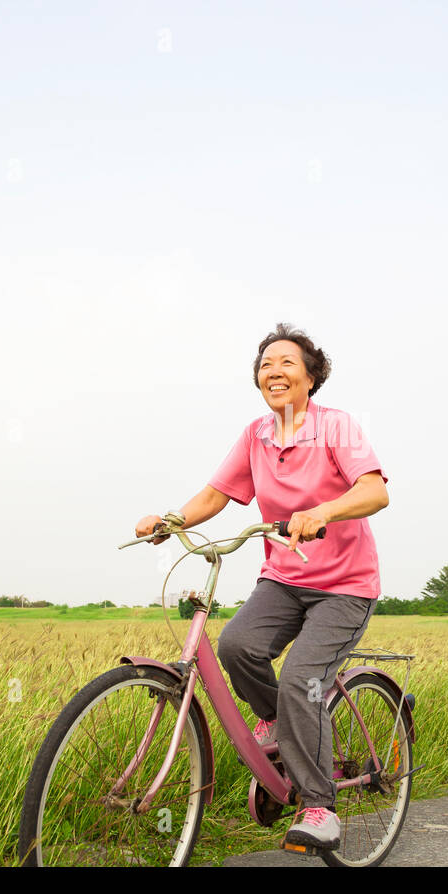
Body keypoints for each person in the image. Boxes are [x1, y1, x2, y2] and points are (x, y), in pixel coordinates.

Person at [134, 323, 388, 850]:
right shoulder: (256, 435)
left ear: (312, 377)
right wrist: (173, 521)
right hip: (284, 577)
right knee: (237, 646)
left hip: (344, 586)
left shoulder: (336, 427)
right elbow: (217, 493)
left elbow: (373, 492)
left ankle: (319, 806)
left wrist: (323, 511)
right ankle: (276, 719)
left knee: (301, 677)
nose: (274, 371)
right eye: (266, 364)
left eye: (288, 362)